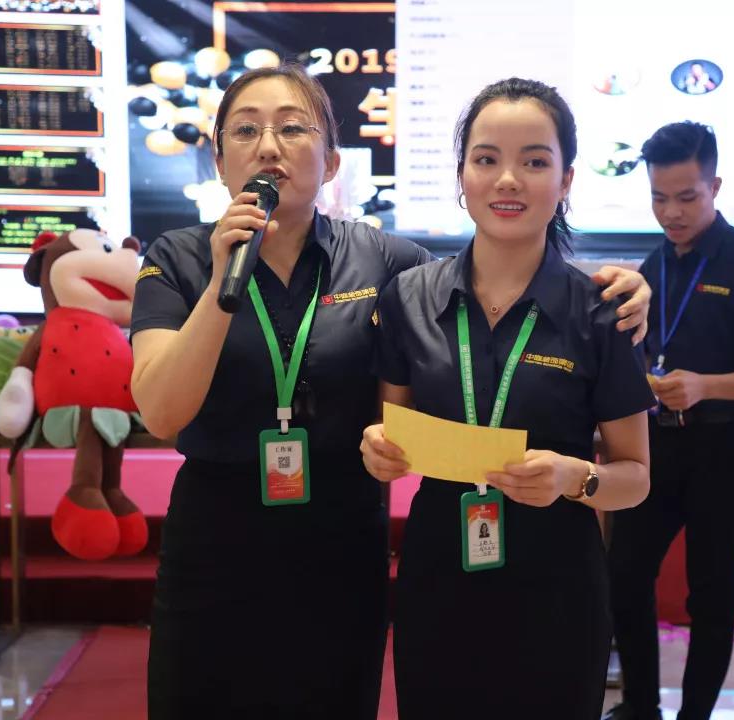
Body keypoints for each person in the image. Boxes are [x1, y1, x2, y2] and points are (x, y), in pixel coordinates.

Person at [129, 64, 652, 718]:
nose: (268, 146)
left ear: (332, 161)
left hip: (341, 542)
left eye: (292, 128)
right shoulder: (178, 259)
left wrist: (620, 288)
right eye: (245, 130)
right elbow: (161, 412)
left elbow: (491, 283)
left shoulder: (386, 263)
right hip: (217, 540)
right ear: (218, 160)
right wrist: (221, 282)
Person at [360, 77, 654, 720]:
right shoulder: (409, 297)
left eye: (535, 161)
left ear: (566, 180)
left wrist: (575, 477)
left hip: (558, 585)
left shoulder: (602, 310)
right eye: (487, 158)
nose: (508, 180)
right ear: (461, 176)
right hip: (438, 575)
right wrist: (378, 449)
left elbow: (635, 479)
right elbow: (388, 431)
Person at [602, 121, 734, 720]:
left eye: (687, 197)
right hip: (658, 448)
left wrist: (705, 386)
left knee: (710, 590)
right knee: (624, 575)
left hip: (726, 447)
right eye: (659, 198)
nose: (672, 212)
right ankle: (640, 706)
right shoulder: (652, 267)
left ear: (714, 186)